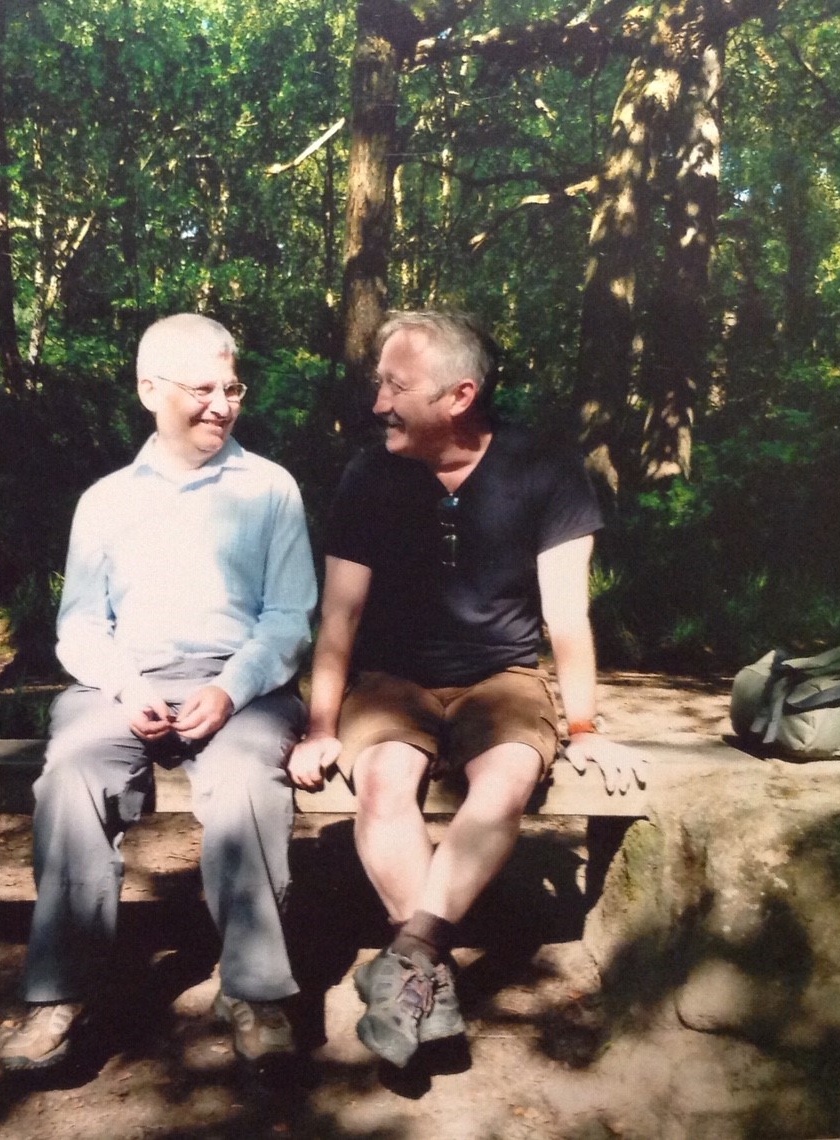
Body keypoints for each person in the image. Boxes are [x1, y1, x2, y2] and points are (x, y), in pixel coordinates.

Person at [288, 309, 646, 1069]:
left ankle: (410, 955)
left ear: (459, 395)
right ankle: (430, 976)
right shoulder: (369, 475)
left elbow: (566, 616)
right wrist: (323, 724)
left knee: (510, 777)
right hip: (392, 680)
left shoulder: (546, 468)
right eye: (379, 382)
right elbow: (340, 617)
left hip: (502, 677)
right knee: (384, 782)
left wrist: (582, 729)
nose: (378, 401)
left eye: (395, 385)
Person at [1, 313, 317, 1073]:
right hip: (123, 682)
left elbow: (290, 616)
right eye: (201, 388)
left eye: (232, 386)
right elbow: (78, 625)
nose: (222, 404)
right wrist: (124, 685)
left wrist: (232, 687)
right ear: (149, 389)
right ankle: (61, 995)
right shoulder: (106, 500)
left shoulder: (271, 488)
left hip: (241, 683)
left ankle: (253, 989)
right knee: (73, 772)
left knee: (246, 780)